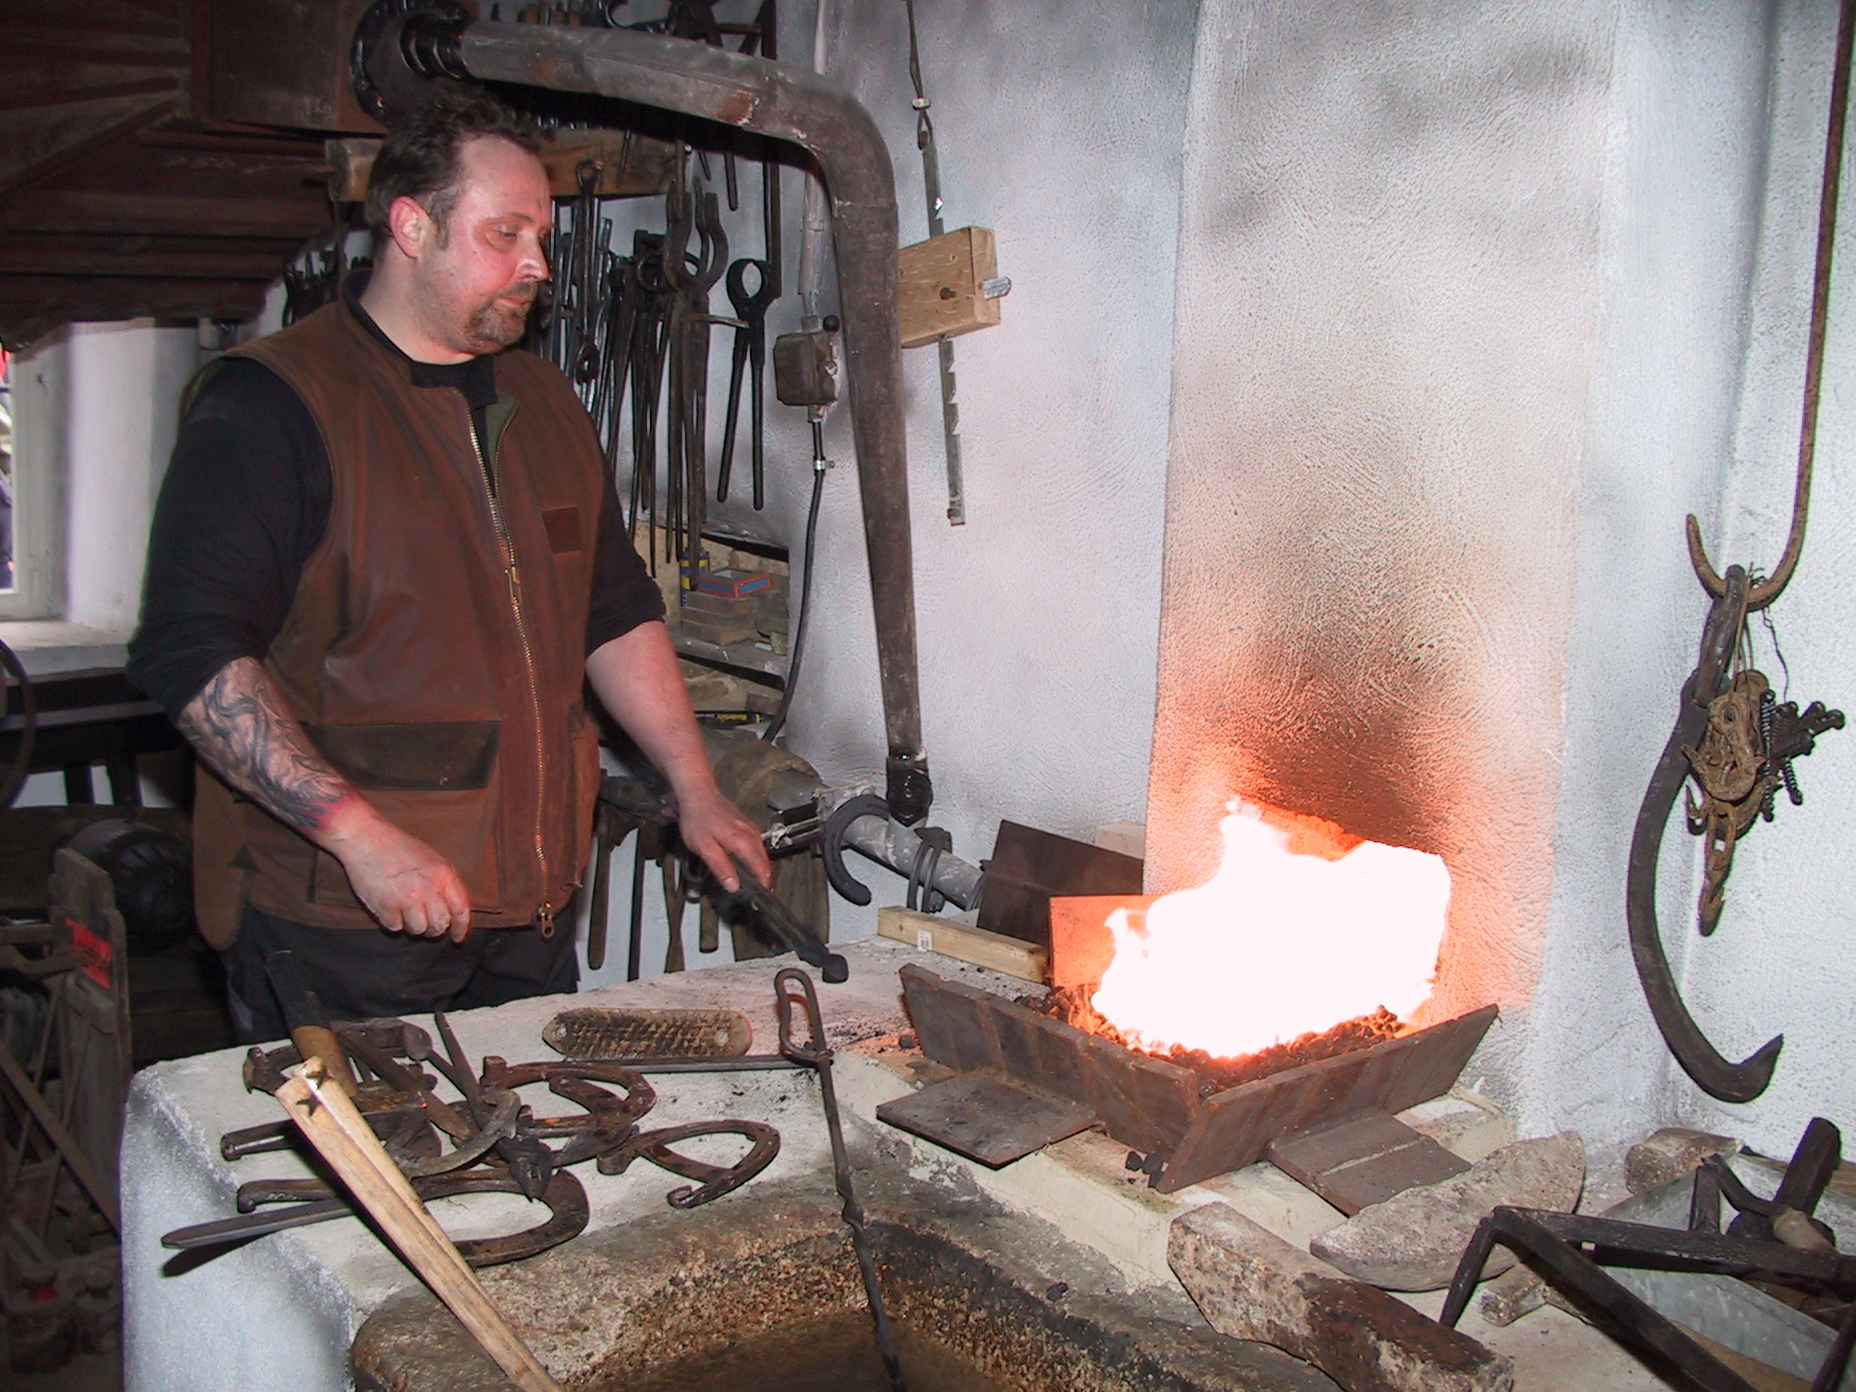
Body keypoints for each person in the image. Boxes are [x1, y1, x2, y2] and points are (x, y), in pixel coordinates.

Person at [127, 91, 771, 1043]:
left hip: (531, 911)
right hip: (348, 919)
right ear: (411, 226)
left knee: (520, 1174)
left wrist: (697, 785)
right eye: (504, 233)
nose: (536, 267)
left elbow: (614, 610)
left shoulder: (545, 401)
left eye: (542, 239)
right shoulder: (273, 406)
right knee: (373, 1184)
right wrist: (358, 835)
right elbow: (190, 655)